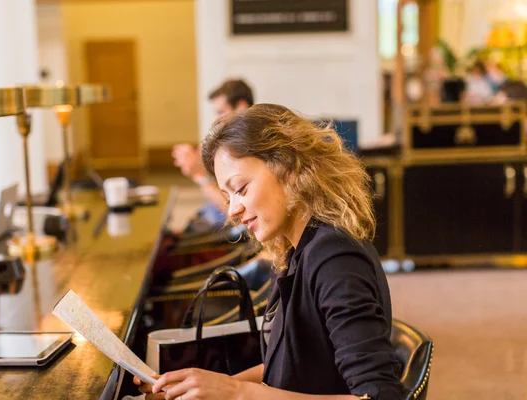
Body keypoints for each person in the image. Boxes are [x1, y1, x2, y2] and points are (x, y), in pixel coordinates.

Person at [135, 104, 407, 399]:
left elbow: (382, 396)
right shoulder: (300, 249)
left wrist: (236, 392)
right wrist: (199, 387)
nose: (233, 210)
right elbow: (293, 365)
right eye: (227, 197)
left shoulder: (334, 258)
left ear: (288, 169)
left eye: (240, 188)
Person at [172, 79, 254, 233]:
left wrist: (199, 176)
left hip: (222, 232)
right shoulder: (227, 146)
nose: (215, 120)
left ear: (241, 107)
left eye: (221, 112)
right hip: (209, 220)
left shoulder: (246, 150)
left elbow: (236, 211)